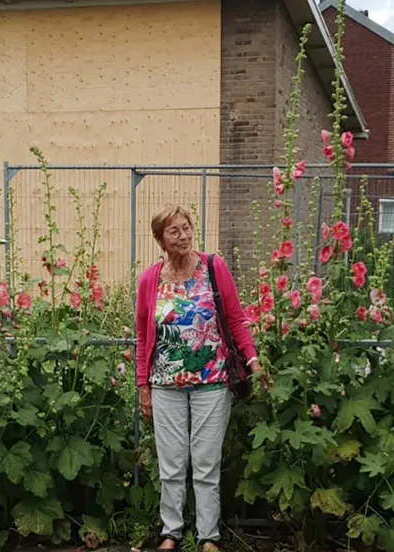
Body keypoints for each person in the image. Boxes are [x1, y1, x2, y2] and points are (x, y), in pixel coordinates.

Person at [133, 205, 270, 552]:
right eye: (173, 231)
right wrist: (143, 386)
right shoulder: (150, 279)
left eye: (186, 227)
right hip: (165, 385)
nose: (183, 236)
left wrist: (253, 361)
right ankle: (171, 532)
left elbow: (236, 319)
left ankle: (208, 536)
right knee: (172, 462)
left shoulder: (213, 267)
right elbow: (142, 336)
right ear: (161, 240)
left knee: (206, 462)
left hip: (212, 381)